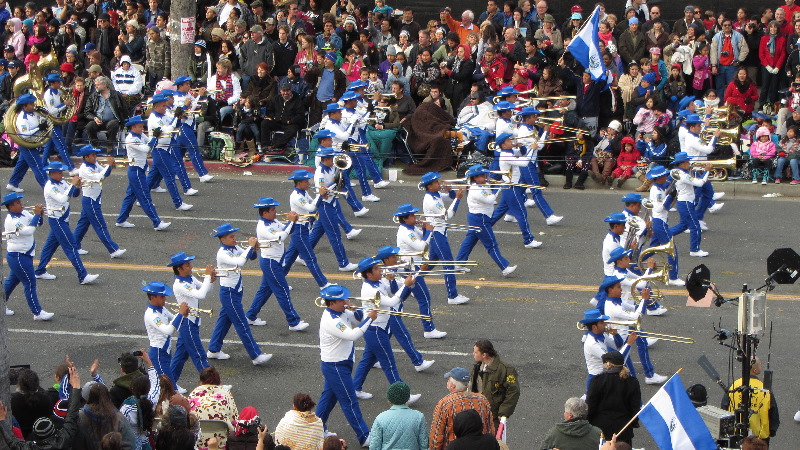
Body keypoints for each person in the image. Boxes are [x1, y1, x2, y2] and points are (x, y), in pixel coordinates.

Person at [352, 256, 422, 403]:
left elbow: (391, 293)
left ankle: (355, 388)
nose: (380, 270)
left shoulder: (377, 282)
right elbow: (391, 301)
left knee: (367, 360)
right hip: (376, 330)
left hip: (379, 327)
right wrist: (406, 285)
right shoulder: (371, 289)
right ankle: (404, 396)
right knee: (389, 365)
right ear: (369, 274)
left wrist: (391, 280)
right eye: (377, 269)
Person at [315, 284, 377, 448]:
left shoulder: (340, 312)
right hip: (336, 366)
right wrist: (370, 318)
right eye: (342, 300)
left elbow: (357, 318)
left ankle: (316, 429)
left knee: (328, 399)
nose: (345, 301)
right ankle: (364, 436)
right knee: (350, 401)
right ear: (332, 303)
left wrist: (356, 309)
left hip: (338, 364)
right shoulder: (332, 320)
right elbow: (353, 334)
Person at [206, 223, 273, 366]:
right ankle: (256, 355)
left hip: (235, 291)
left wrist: (254, 248)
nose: (234, 238)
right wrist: (249, 247)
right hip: (228, 292)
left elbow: (251, 257)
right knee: (242, 324)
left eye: (234, 236)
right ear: (222, 239)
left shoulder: (235, 247)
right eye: (231, 237)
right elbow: (240, 262)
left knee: (224, 321)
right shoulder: (223, 253)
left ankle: (213, 349)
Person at [245, 196, 309, 331]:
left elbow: (287, 230)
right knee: (283, 290)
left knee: (265, 290)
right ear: (265, 213)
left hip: (275, 261)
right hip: (270, 262)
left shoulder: (273, 221)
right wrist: (291, 222)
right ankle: (293, 321)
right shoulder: (263, 227)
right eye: (273, 210)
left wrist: (294, 221)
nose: (276, 212)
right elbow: (281, 237)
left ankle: (250, 315)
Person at [33, 162, 99, 284]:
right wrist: (72, 184)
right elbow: (63, 199)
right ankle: (82, 275)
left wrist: (78, 187)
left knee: (50, 246)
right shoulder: (50, 186)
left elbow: (73, 194)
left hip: (62, 218)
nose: (62, 174)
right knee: (71, 246)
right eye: (59, 173)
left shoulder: (61, 182)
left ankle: (40, 270)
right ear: (52, 174)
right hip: (57, 219)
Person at [392, 205, 446, 340]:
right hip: (412, 268)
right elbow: (421, 247)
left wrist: (425, 228)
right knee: (424, 298)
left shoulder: (411, 228)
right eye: (413, 216)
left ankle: (392, 312)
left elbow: (422, 238)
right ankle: (429, 329)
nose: (416, 217)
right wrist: (429, 230)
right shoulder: (405, 232)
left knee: (402, 296)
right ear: (405, 218)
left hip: (413, 266)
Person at [0, 366, 82, 450]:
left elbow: (12, 442)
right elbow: (72, 416)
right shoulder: (64, 439)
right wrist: (76, 387)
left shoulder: (13, 401)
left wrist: (2, 420)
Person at [455, 165, 517, 277]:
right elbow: (490, 199)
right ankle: (504, 267)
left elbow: (488, 188)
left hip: (479, 217)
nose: (485, 177)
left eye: (485, 175)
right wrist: (499, 187)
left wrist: (496, 183)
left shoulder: (482, 185)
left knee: (469, 242)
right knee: (491, 244)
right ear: (476, 178)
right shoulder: (476, 189)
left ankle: (459, 263)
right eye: (482, 176)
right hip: (480, 219)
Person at [419, 172, 470, 305]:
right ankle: (452, 295)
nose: (439, 183)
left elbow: (449, 198)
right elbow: (449, 215)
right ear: (429, 186)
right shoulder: (431, 201)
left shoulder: (435, 195)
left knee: (430, 263)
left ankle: (413, 281)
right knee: (448, 264)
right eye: (436, 182)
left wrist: (452, 191)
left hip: (439, 233)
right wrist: (458, 199)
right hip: (437, 234)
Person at [115, 115, 171, 231]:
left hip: (139, 169)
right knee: (145, 197)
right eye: (140, 126)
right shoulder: (131, 138)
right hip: (135, 170)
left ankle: (121, 220)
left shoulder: (140, 135)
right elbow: (146, 149)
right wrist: (155, 138)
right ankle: (157, 222)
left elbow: (149, 142)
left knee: (130, 196)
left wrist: (156, 136)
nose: (142, 128)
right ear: (134, 127)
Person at [309, 146, 360, 272]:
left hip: (332, 202)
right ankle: (343, 263)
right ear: (325, 159)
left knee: (317, 232)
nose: (334, 159)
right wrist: (335, 183)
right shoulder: (320, 173)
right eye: (331, 157)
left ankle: (301, 254)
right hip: (326, 204)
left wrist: (340, 179)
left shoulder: (332, 167)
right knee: (335, 235)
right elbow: (323, 192)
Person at [2, 193, 52, 320]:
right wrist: (36, 215)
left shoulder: (24, 214)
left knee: (11, 282)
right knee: (30, 283)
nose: (21, 204)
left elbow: (37, 224)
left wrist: (40, 215)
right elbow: (28, 230)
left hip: (25, 254)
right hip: (18, 256)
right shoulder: (12, 221)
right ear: (11, 206)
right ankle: (37, 312)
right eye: (18, 202)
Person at [167, 252, 214, 384]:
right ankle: (212, 384)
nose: (191, 267)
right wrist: (207, 276)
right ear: (179, 269)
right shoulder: (180, 284)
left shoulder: (190, 278)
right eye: (187, 265)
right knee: (199, 355)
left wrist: (210, 281)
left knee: (180, 356)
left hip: (191, 320)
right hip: (187, 322)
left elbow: (206, 290)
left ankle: (170, 385)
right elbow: (200, 295)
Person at [72, 145, 125, 259]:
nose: (95, 157)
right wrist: (109, 165)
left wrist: (110, 167)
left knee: (83, 224)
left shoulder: (93, 164)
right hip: (90, 200)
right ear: (86, 157)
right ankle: (113, 249)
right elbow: (100, 177)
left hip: (93, 198)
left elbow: (104, 172)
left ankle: (74, 246)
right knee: (100, 225)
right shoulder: (85, 169)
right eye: (93, 155)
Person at [280, 169, 330, 288]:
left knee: (289, 259)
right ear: (299, 183)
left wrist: (322, 197)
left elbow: (313, 202)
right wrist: (320, 195)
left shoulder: (303, 193)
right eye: (306, 181)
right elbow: (311, 207)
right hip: (299, 229)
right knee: (310, 258)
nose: (309, 183)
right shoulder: (296, 196)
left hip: (303, 228)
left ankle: (278, 282)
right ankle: (323, 284)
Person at [145, 94, 193, 212]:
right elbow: (168, 129)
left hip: (166, 148)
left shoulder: (163, 114)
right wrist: (176, 117)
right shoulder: (154, 119)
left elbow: (173, 122)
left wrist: (179, 114)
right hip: (159, 149)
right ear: (155, 106)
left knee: (151, 177)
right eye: (163, 106)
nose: (165, 108)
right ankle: (178, 203)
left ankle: (141, 198)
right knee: (170, 176)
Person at [430, 367, 495, 450]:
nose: (447, 382)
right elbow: (490, 428)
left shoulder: (445, 404)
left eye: (448, 380)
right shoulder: (482, 400)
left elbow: (436, 437)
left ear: (452, 385)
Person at [586, 351, 642, 446]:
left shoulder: (597, 381)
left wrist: (588, 422)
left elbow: (590, 405)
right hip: (623, 428)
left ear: (607, 365)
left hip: (600, 428)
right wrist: (633, 423)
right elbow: (635, 407)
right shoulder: (632, 382)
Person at [142, 280, 189, 390]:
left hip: (165, 351)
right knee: (169, 389)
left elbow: (174, 319)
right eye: (162, 297)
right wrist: (180, 313)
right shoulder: (151, 314)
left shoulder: (161, 309)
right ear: (153, 297)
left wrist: (182, 315)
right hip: (159, 354)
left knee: (166, 387)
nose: (165, 299)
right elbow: (167, 330)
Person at [722, 356, 780, 443]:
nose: (761, 365)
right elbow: (773, 412)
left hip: (736, 433)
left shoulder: (735, 386)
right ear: (755, 371)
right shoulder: (764, 389)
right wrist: (772, 431)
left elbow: (724, 406)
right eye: (760, 364)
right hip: (759, 438)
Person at [668, 150, 714, 258]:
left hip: (684, 202)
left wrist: (703, 178)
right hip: (686, 203)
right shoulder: (683, 175)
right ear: (682, 163)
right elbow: (699, 183)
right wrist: (706, 171)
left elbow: (694, 182)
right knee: (695, 226)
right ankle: (694, 249)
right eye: (687, 161)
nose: (689, 163)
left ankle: (663, 236)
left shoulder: (677, 172)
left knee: (683, 226)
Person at [645, 166, 683, 286]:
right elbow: (659, 208)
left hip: (661, 221)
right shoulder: (656, 191)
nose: (666, 177)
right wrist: (670, 196)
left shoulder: (661, 187)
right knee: (671, 249)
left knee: (652, 248)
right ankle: (673, 276)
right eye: (664, 176)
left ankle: (633, 262)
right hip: (659, 222)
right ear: (659, 178)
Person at [580, 308, 635, 391]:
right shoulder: (592, 344)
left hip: (604, 377)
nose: (605, 324)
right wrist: (629, 344)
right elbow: (615, 360)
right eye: (602, 322)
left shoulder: (602, 335)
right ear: (594, 327)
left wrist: (615, 334)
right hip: (597, 381)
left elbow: (618, 345)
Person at [469, 339, 520, 428]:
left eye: (475, 352)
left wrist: (504, 412)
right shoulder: (477, 367)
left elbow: (513, 391)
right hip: (477, 411)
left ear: (484, 355)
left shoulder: (505, 369)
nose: (473, 354)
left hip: (493, 416)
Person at [173, 76, 214, 183]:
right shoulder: (176, 98)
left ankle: (175, 172)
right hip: (183, 125)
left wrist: (200, 97)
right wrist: (197, 98)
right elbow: (182, 112)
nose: (189, 86)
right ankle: (202, 174)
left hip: (190, 125)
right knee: (194, 149)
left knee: (180, 152)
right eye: (186, 84)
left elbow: (194, 107)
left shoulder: (187, 94)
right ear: (180, 86)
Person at [188, 367, 240, 449]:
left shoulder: (194, 393)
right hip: (220, 442)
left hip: (197, 442)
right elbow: (234, 419)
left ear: (201, 381)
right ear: (219, 381)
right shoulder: (226, 393)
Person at [6, 93, 49, 191]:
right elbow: (25, 134)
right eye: (31, 104)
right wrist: (38, 128)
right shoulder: (22, 118)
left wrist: (45, 113)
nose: (34, 105)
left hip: (32, 143)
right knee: (38, 166)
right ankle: (47, 187)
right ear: (25, 106)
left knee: (22, 164)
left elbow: (44, 120)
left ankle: (13, 183)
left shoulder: (34, 113)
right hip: (27, 144)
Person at [370, 382, 427, 450]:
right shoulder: (419, 417)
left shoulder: (380, 418)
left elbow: (374, 446)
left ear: (389, 399)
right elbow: (423, 443)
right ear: (408, 398)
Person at [40, 73, 75, 173]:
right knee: (61, 145)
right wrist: (65, 104)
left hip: (56, 121)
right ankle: (71, 168)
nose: (60, 83)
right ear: (52, 83)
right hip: (51, 121)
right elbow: (52, 111)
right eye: (58, 82)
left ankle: (43, 165)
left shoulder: (57, 91)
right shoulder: (48, 94)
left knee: (49, 145)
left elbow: (64, 92)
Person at [83, 76, 128, 153]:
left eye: (98, 84)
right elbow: (87, 111)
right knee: (89, 126)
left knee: (114, 124)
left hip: (112, 120)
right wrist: (94, 118)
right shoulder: (93, 96)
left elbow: (124, 108)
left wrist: (123, 119)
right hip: (98, 120)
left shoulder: (116, 95)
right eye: (95, 84)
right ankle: (95, 144)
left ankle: (110, 145)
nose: (96, 86)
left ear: (104, 84)